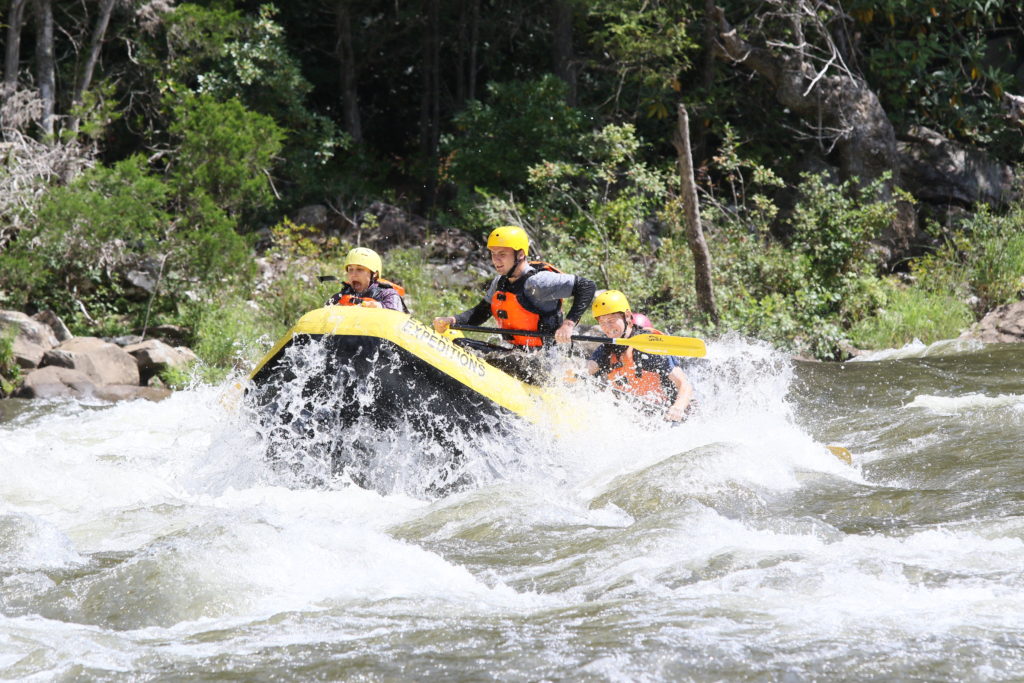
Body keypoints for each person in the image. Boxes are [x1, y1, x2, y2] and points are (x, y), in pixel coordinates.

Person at [433, 225, 595, 348]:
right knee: (458, 342)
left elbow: (587, 286)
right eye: (493, 254)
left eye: (502, 254)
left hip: (542, 362)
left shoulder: (538, 282)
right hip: (516, 353)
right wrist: (453, 320)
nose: (496, 260)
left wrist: (568, 325)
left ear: (520, 254)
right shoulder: (500, 282)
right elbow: (480, 313)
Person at [586, 289, 694, 422]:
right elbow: (587, 369)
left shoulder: (647, 346)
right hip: (636, 418)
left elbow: (685, 385)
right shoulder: (606, 348)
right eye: (602, 323)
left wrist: (678, 407)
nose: (607, 327)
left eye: (611, 320)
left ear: (627, 316)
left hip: (668, 416)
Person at [327, 247, 407, 312]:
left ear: (374, 274)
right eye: (350, 269)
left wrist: (381, 307)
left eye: (360, 269)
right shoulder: (342, 295)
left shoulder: (388, 294)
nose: (353, 275)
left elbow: (396, 318)